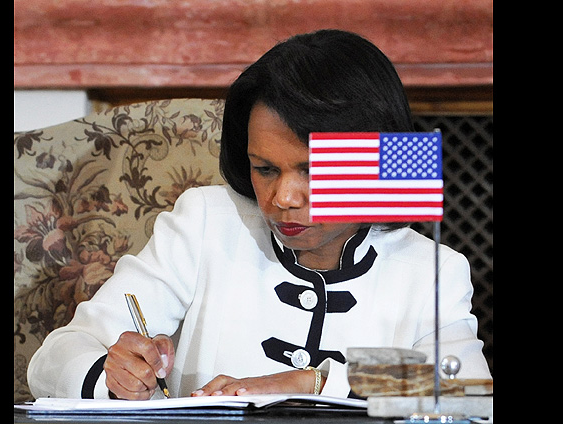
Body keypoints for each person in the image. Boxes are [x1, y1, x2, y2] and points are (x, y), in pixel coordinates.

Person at [27, 29, 491, 401]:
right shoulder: (206, 223)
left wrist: (312, 382)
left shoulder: (433, 269)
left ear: (370, 164)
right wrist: (114, 376)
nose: (283, 197)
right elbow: (55, 359)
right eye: (265, 169)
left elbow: (469, 389)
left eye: (313, 170)